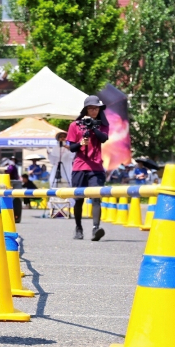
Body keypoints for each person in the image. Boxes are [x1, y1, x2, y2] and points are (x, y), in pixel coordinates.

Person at [67, 95, 109, 241]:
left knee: (96, 198)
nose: (94, 111)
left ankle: (96, 229)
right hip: (79, 167)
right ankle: (78, 228)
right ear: (85, 109)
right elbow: (72, 148)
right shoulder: (75, 125)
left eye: (96, 108)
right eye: (91, 108)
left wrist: (93, 128)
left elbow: (103, 138)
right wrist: (80, 143)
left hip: (96, 167)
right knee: (79, 199)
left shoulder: (102, 124)